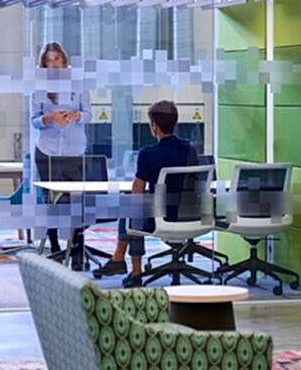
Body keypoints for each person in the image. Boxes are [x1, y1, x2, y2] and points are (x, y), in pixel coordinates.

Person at [92, 100, 198, 288]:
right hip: (190, 215)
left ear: (154, 126)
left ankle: (132, 269)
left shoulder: (148, 153)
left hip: (161, 217)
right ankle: (120, 261)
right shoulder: (190, 150)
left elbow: (137, 190)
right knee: (136, 207)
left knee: (132, 206)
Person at [30, 42, 92, 270]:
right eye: (49, 60)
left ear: (64, 61)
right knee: (53, 202)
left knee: (78, 202)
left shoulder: (78, 84)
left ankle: (77, 249)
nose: (53, 63)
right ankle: (55, 247)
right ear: (44, 64)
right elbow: (35, 121)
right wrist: (49, 118)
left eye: (57, 59)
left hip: (75, 151)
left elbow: (89, 114)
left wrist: (76, 116)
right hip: (48, 151)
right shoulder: (39, 89)